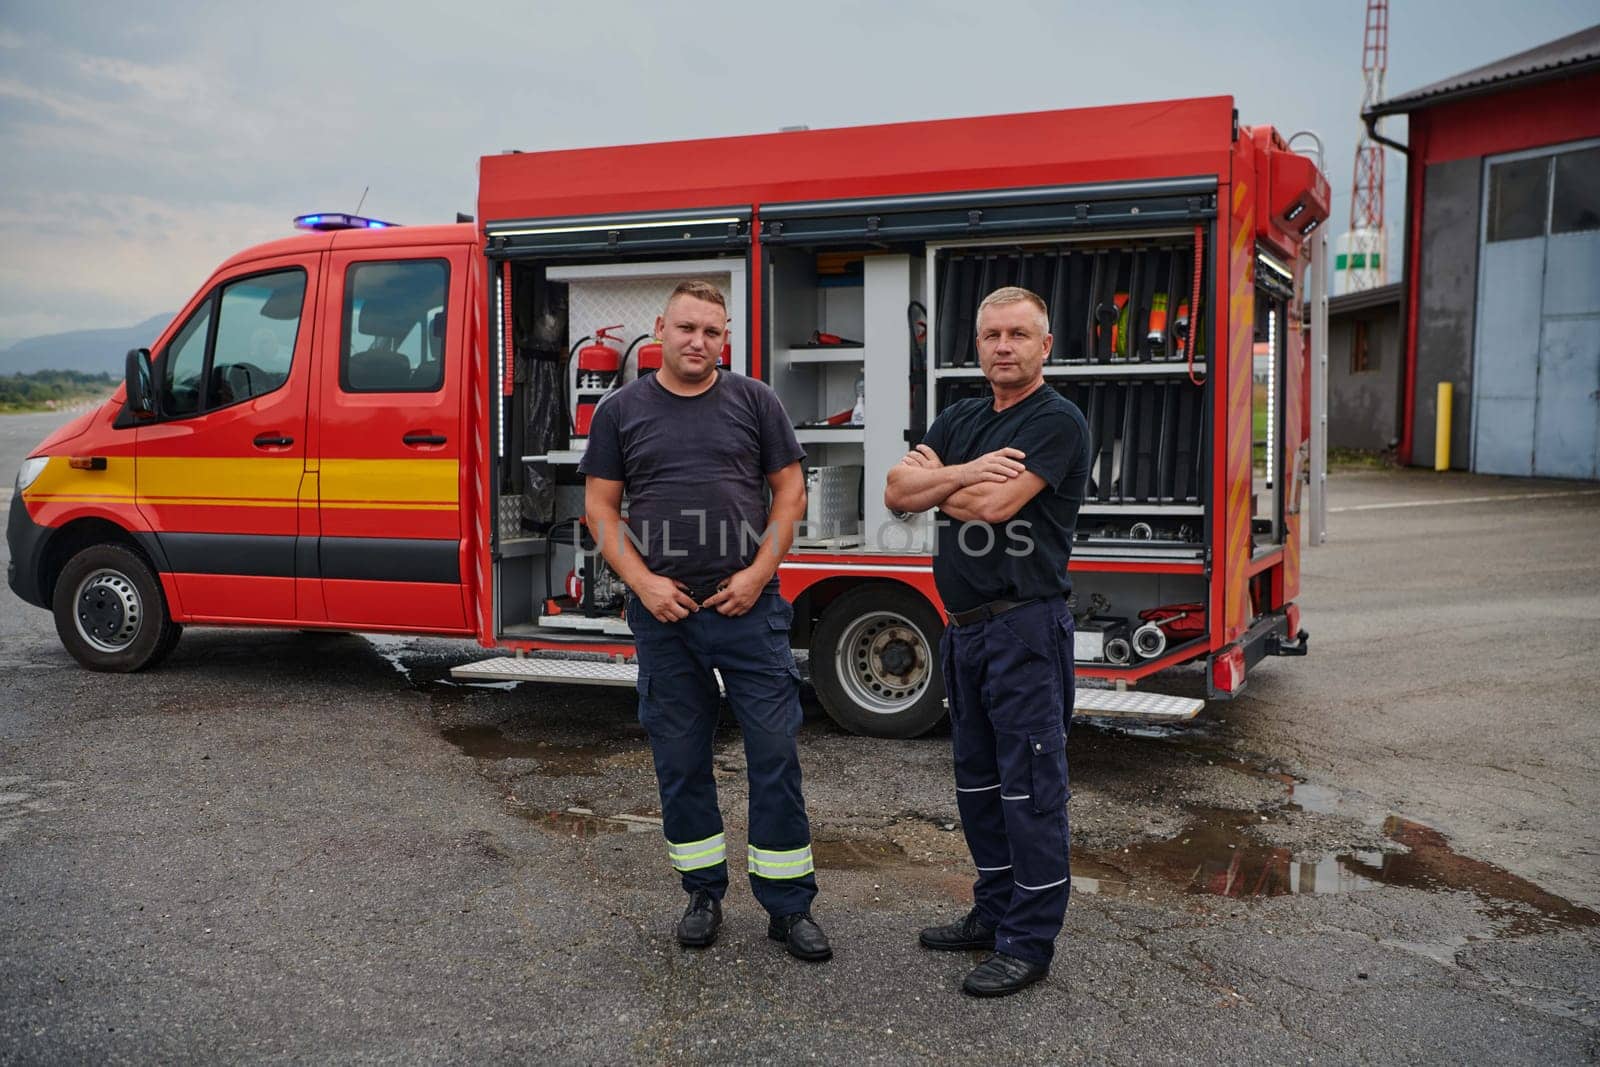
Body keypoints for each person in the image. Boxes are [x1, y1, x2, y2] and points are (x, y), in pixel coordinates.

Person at [580, 280, 831, 962]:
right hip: (665, 617)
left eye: (712, 332)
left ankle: (788, 906)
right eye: (687, 328)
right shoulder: (621, 410)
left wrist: (756, 575)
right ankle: (702, 893)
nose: (698, 341)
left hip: (748, 610)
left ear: (727, 338)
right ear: (660, 327)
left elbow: (789, 491)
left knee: (774, 755)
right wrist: (644, 583)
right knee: (681, 760)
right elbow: (601, 507)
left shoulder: (755, 401)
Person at [883, 285, 1090, 997]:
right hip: (964, 630)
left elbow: (997, 507)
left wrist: (936, 483)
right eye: (991, 334)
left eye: (1018, 334)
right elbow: (893, 492)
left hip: (1025, 627)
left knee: (1031, 788)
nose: (1004, 345)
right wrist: (967, 472)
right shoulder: (963, 418)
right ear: (977, 345)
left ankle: (1028, 941)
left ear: (1044, 346)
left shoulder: (1058, 420)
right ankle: (994, 910)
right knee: (976, 781)